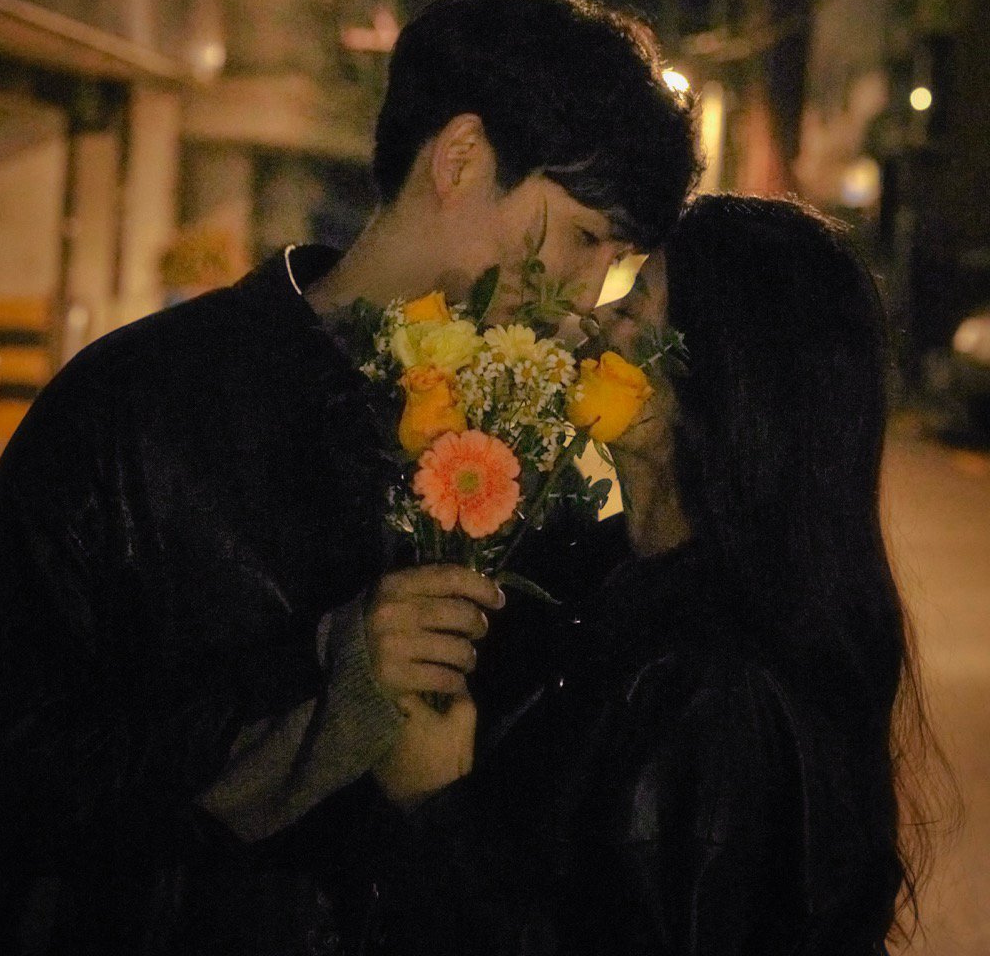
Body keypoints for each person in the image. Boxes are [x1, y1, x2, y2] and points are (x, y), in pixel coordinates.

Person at [0, 0, 698, 955]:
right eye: (583, 237)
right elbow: (5, 762)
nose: (585, 294)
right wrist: (322, 676)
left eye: (617, 260)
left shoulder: (524, 442)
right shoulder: (140, 403)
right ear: (461, 159)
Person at [362, 195, 941, 956]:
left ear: (720, 380)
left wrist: (433, 807)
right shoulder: (594, 572)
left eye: (636, 305)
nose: (599, 320)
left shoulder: (725, 687)